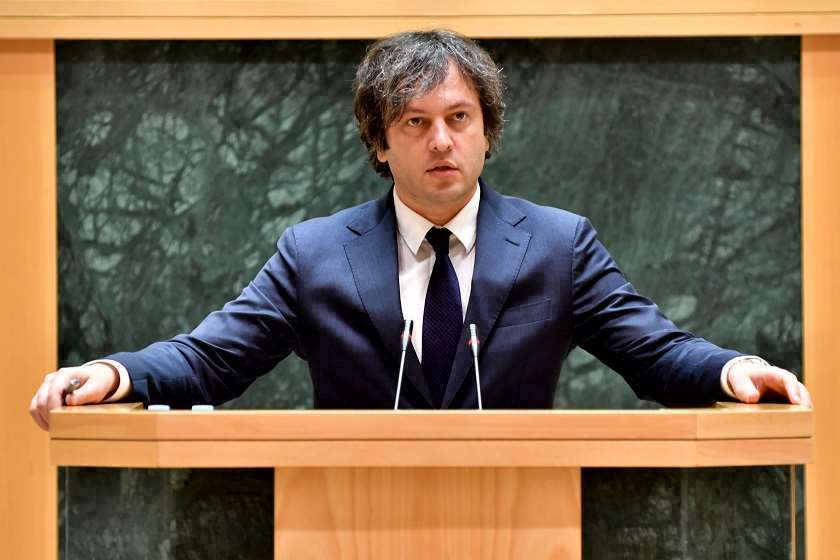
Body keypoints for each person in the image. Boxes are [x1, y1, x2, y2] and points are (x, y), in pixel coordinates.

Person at [30, 30, 811, 431]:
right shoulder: (314, 255)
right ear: (380, 142)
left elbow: (657, 352)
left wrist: (736, 370)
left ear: (487, 133)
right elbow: (210, 358)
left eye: (460, 118)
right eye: (415, 122)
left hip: (520, 521)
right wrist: (110, 374)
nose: (442, 141)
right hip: (350, 524)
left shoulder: (558, 246)